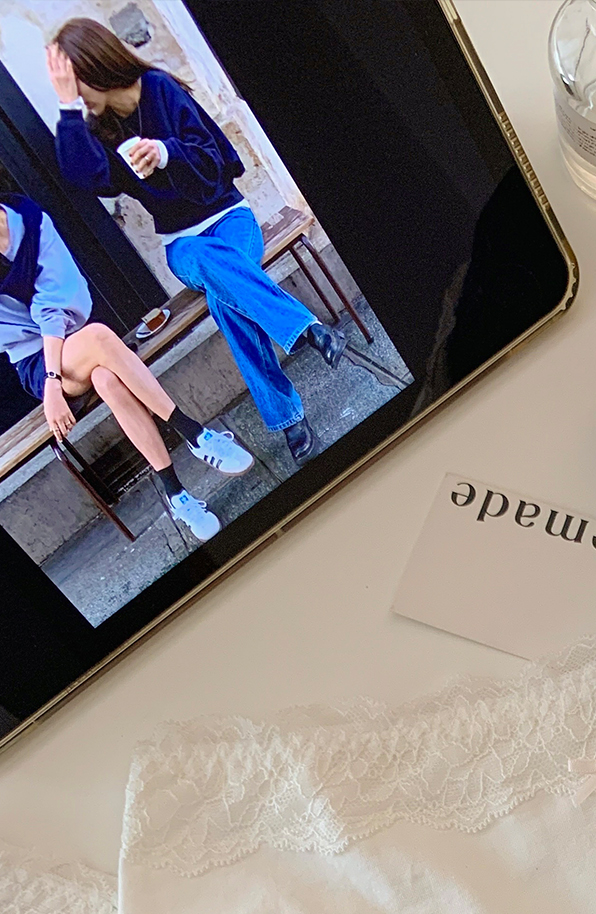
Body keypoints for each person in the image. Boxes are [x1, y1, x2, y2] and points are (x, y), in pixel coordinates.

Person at [46, 20, 346, 465]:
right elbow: (83, 178)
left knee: (226, 302)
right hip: (182, 243)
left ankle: (289, 421)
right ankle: (306, 329)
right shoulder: (99, 132)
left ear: (97, 66)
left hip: (229, 217)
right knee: (207, 262)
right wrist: (68, 108)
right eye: (65, 89)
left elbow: (217, 161)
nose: (74, 94)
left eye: (74, 84)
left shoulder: (160, 89)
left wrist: (166, 153)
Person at [0, 192, 249, 543]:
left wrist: (55, 381)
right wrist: (51, 382)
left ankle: (176, 494)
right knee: (100, 337)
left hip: (71, 341)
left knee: (106, 378)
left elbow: (55, 304)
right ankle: (194, 433)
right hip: (37, 361)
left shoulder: (29, 219)